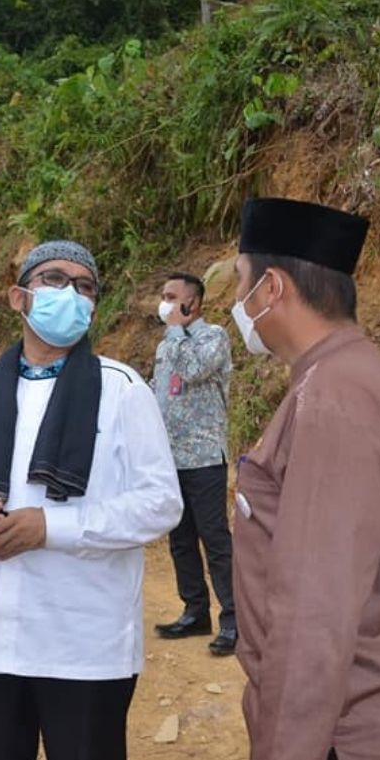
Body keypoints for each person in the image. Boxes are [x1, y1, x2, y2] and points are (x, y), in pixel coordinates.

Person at [0, 240, 183, 760]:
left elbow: (160, 502)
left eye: (85, 287)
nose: (71, 294)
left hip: (84, 649)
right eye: (55, 280)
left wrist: (52, 527)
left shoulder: (121, 389)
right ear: (19, 298)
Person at [229, 198, 380, 760]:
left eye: (240, 284)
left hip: (337, 732)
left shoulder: (334, 396)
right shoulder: (358, 376)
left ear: (271, 288)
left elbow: (313, 615)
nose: (235, 303)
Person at [151, 271, 236, 656]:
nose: (165, 302)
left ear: (193, 304)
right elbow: (159, 392)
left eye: (172, 297)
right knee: (180, 539)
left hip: (203, 457)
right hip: (170, 459)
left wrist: (177, 331)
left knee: (215, 541)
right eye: (164, 295)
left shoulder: (212, 336)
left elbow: (193, 370)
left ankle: (234, 621)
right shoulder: (165, 344)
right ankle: (195, 611)